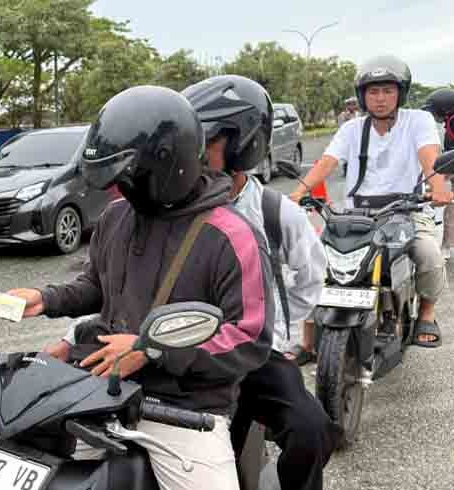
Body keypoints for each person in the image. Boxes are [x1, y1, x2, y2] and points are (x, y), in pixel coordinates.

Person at [8, 85, 274, 490]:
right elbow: (95, 284)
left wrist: (151, 350)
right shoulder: (117, 216)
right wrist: (46, 298)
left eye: (129, 179)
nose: (121, 190)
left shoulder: (232, 237)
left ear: (169, 164)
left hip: (184, 410)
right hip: (102, 392)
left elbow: (248, 338)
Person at [183, 75, 338, 490]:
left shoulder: (275, 212)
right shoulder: (175, 208)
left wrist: (277, 330)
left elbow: (310, 277)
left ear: (242, 143)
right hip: (192, 356)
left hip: (257, 355)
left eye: (206, 141)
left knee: (313, 430)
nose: (192, 152)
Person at [290, 55, 450, 348]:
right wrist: (299, 192)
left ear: (400, 93)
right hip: (358, 214)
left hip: (408, 210)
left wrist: (438, 188)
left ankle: (426, 314)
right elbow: (327, 162)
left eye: (388, 90)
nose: (380, 98)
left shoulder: (419, 120)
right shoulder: (352, 129)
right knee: (317, 263)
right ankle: (308, 341)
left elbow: (430, 158)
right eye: (373, 91)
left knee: (428, 253)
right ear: (362, 96)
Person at [423, 88, 454, 257]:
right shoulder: (449, 124)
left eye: (435, 111)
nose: (434, 116)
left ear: (445, 109)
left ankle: (446, 247)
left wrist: (441, 175)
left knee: (446, 205)